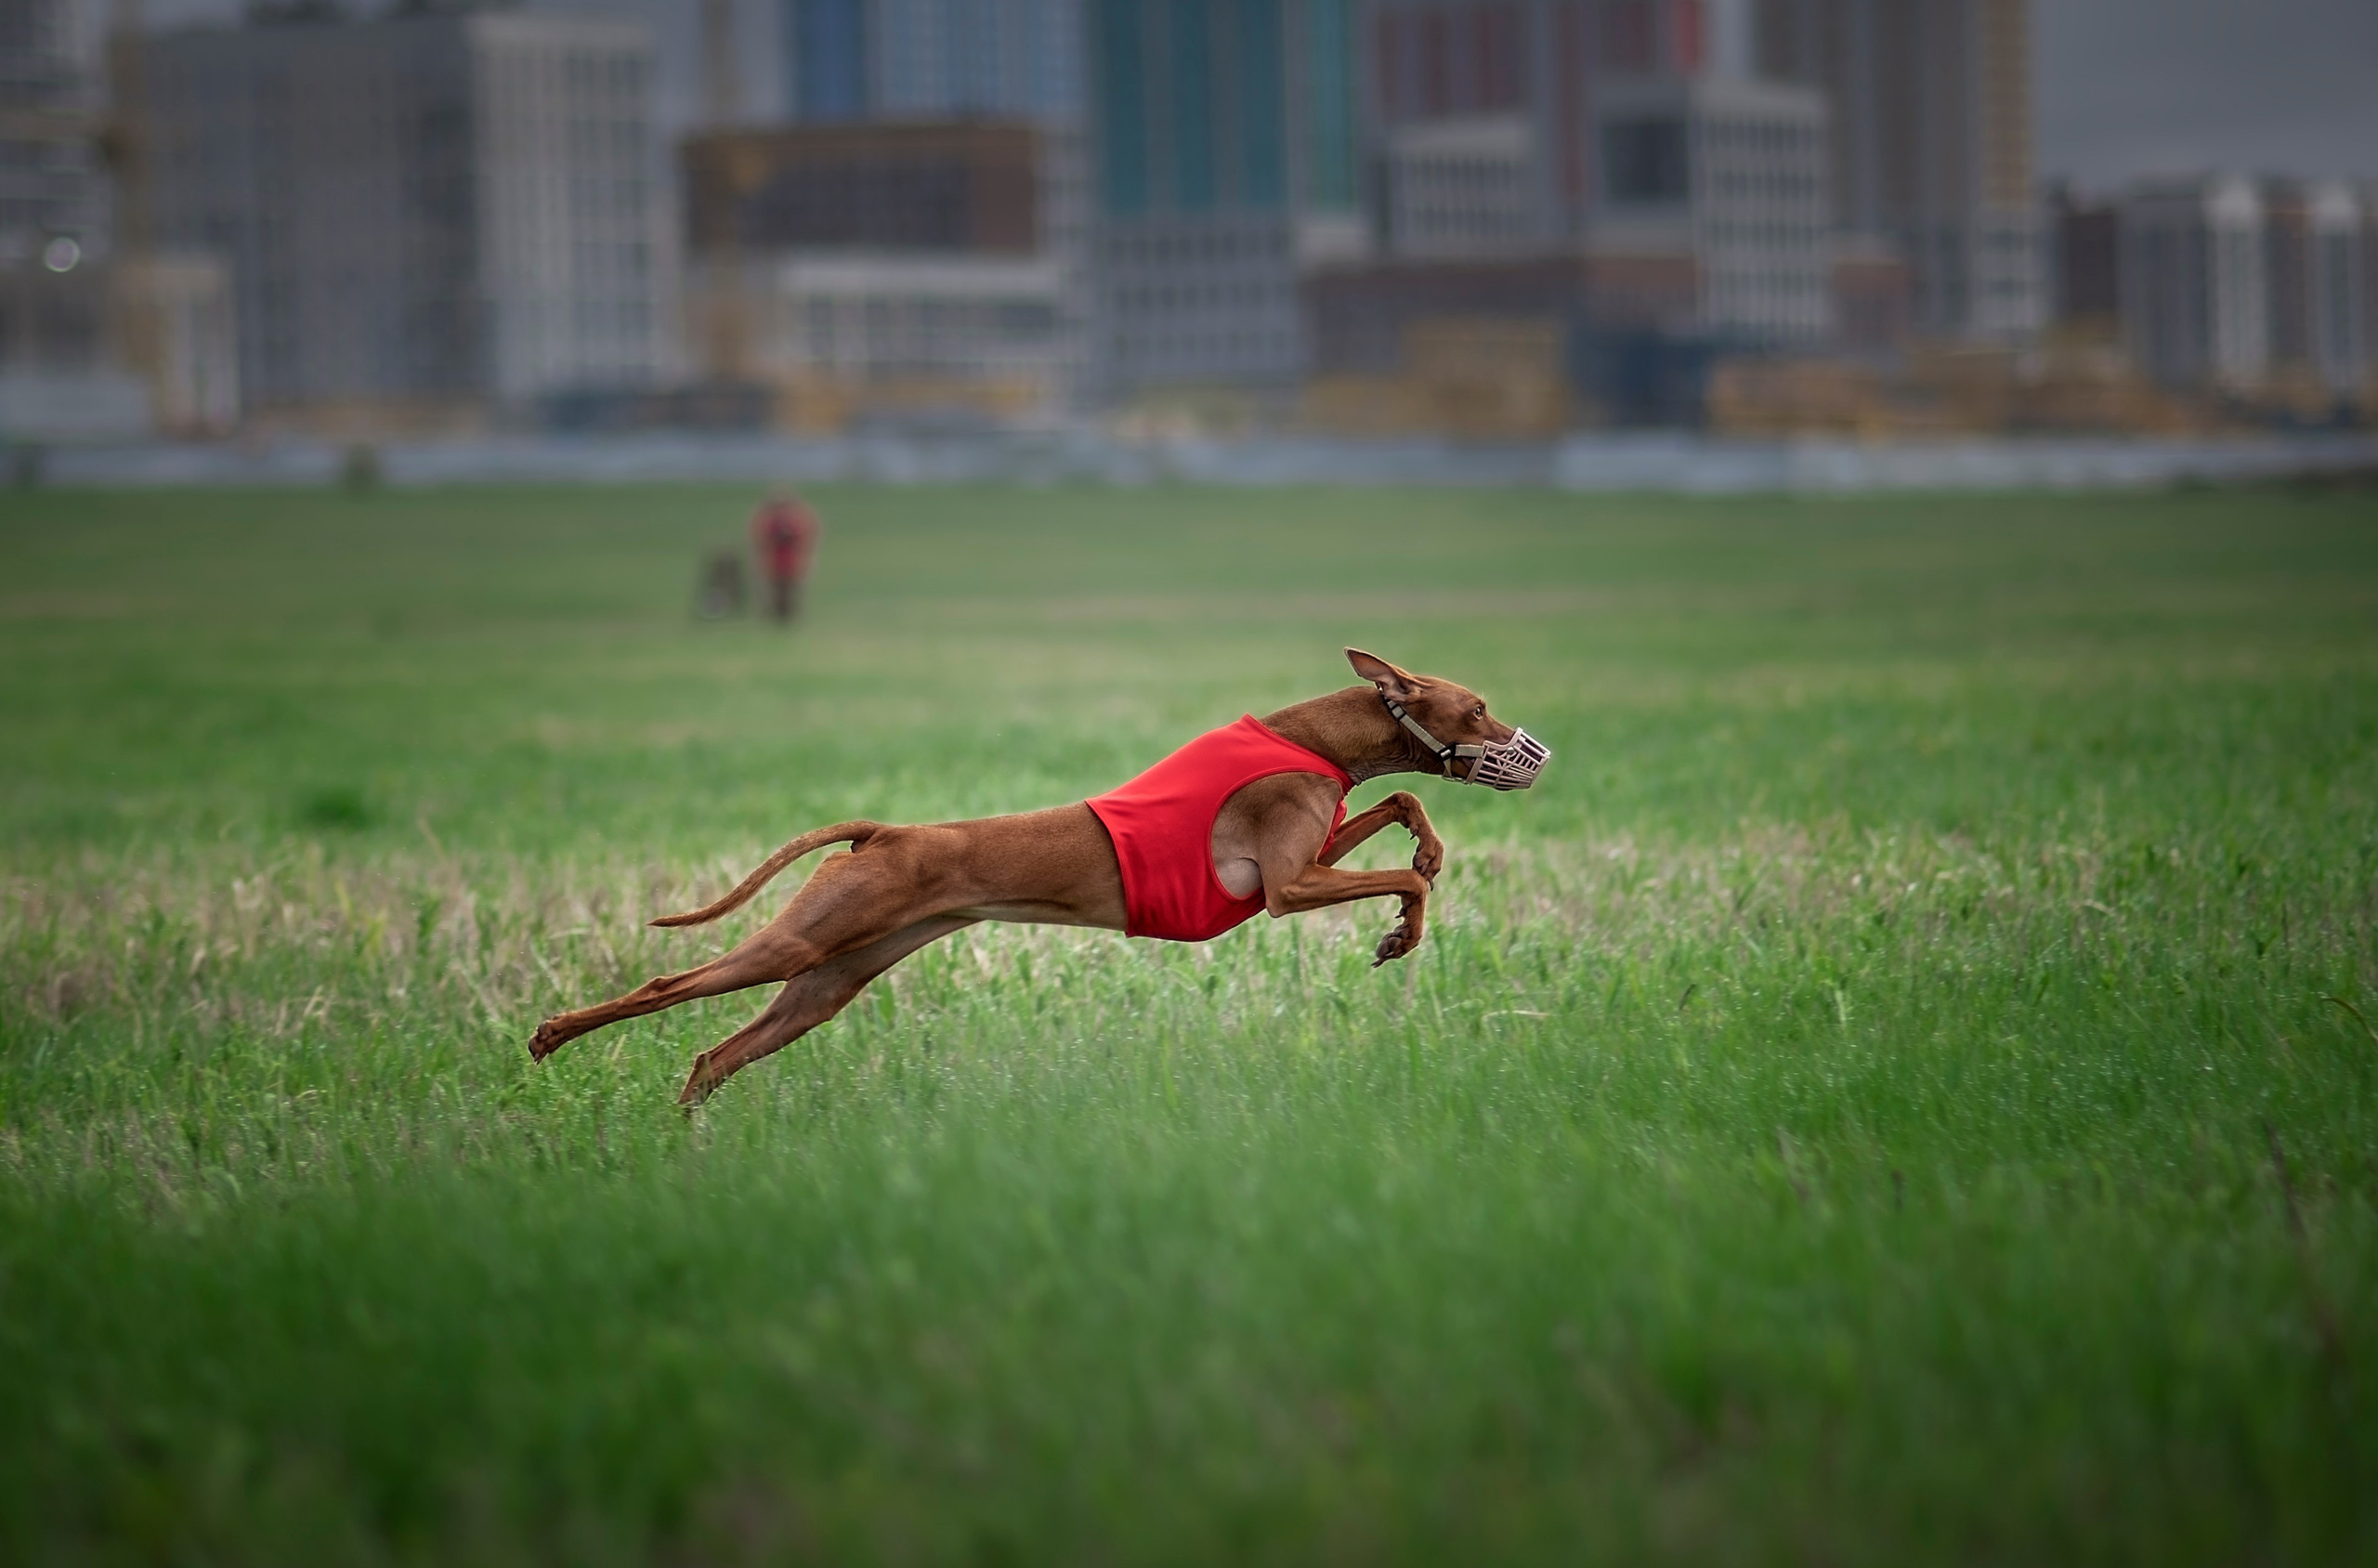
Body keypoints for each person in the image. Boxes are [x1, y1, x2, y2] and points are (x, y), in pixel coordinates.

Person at [750, 490, 819, 623]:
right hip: (772, 564)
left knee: (792, 596)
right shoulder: (766, 520)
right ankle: (772, 620)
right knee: (772, 595)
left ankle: (790, 620)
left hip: (793, 564)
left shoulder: (798, 519)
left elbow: (807, 537)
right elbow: (759, 539)